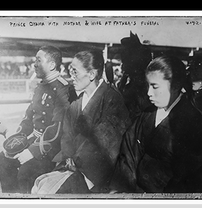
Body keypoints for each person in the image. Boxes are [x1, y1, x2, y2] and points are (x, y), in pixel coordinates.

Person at [110, 56, 202, 193]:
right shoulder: (146, 115)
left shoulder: (195, 124)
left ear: (176, 85)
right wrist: (119, 190)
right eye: (148, 86)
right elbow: (127, 155)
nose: (149, 93)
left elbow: (192, 180)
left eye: (155, 86)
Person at [31, 50, 131, 194]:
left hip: (98, 173)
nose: (71, 77)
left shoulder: (112, 100)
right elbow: (66, 139)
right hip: (72, 167)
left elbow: (103, 143)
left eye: (75, 72)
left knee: (51, 191)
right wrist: (67, 163)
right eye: (70, 71)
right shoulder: (75, 105)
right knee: (40, 183)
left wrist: (75, 165)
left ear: (92, 74)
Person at [0, 46, 74, 193]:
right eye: (35, 60)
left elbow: (56, 129)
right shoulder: (41, 87)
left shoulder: (64, 89)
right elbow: (28, 119)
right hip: (35, 141)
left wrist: (32, 152)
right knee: (3, 159)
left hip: (53, 150)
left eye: (39, 60)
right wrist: (14, 143)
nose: (35, 64)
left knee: (26, 171)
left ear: (52, 65)